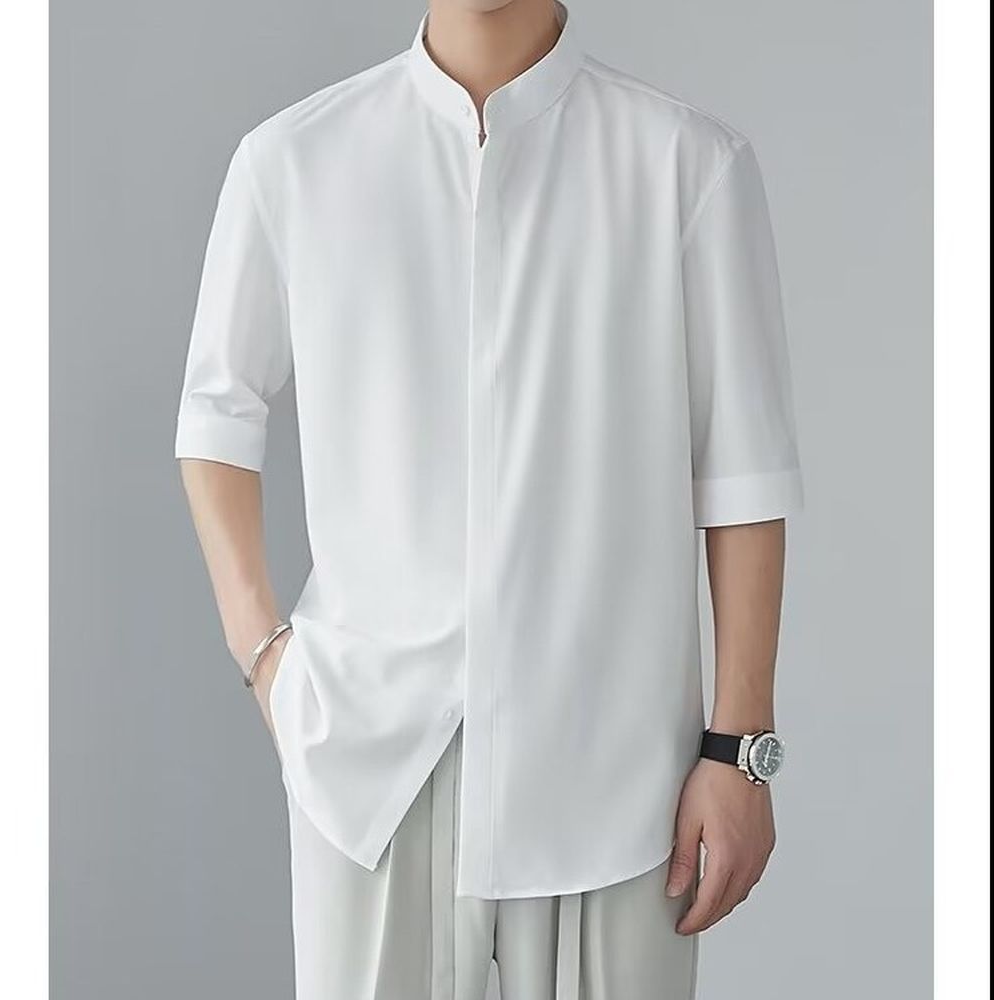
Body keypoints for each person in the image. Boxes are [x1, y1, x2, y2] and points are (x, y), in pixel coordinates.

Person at [174, 1, 803, 997]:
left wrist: (739, 752)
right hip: (370, 760)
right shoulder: (293, 160)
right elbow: (215, 413)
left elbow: (742, 471)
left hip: (618, 767)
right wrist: (266, 658)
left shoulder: (687, 165)